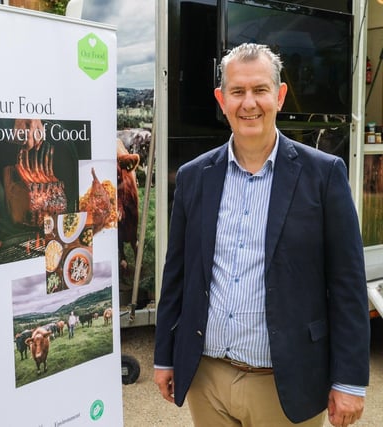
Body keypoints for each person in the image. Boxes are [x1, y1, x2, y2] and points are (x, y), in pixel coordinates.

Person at [153, 43, 370, 427]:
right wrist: (165, 357)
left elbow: (348, 285)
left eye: (259, 90)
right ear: (222, 100)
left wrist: (350, 381)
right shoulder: (193, 177)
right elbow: (177, 275)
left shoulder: (323, 175)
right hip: (207, 378)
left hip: (285, 384)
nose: (248, 103)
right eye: (237, 91)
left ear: (280, 95)